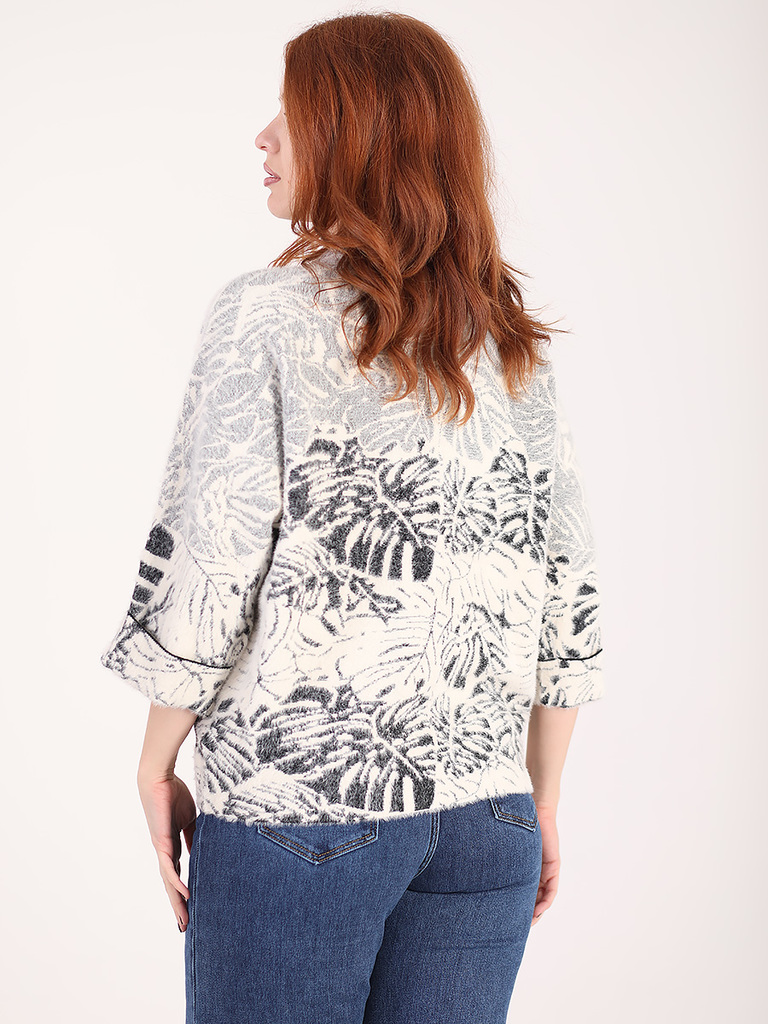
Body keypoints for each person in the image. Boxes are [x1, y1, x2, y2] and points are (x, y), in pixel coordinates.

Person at [100, 11, 605, 1024]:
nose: (263, 136)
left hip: (301, 811)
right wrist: (539, 796)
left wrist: (154, 762)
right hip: (487, 819)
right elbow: (569, 585)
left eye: (288, 111)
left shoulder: (265, 313)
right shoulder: (507, 336)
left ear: (349, 132)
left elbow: (213, 563)